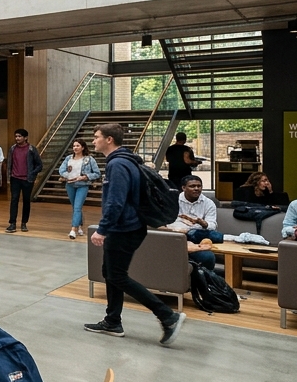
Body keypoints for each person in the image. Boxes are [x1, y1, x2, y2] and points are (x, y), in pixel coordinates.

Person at [85, 123, 185, 344]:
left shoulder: (118, 165)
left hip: (124, 229)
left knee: (117, 275)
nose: (93, 141)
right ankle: (112, 321)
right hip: (130, 226)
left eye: (96, 137)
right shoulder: (125, 160)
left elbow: (115, 202)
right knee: (110, 272)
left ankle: (168, 316)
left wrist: (103, 229)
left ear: (109, 139)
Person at [165, 176, 226, 269]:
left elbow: (212, 225)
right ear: (183, 188)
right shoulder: (173, 200)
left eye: (199, 186)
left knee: (208, 253)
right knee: (214, 237)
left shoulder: (208, 203)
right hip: (177, 237)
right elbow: (168, 222)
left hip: (199, 236)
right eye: (192, 186)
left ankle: (206, 280)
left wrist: (203, 223)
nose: (196, 189)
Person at [59, 139, 101, 239]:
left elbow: (97, 173)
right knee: (75, 207)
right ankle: (80, 225)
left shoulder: (89, 159)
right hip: (70, 185)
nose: (75, 148)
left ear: (82, 147)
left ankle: (73, 230)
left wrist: (85, 176)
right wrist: (68, 176)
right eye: (74, 146)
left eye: (77, 146)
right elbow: (61, 170)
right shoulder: (68, 158)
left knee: (77, 207)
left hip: (82, 185)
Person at [4, 129, 43, 233]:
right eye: (16, 136)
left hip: (27, 179)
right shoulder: (12, 148)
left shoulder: (31, 149)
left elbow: (39, 165)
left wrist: (32, 173)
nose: (17, 138)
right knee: (14, 200)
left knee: (26, 201)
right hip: (15, 178)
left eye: (20, 136)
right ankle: (12, 223)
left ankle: (24, 223)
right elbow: (9, 164)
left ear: (25, 137)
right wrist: (9, 177)